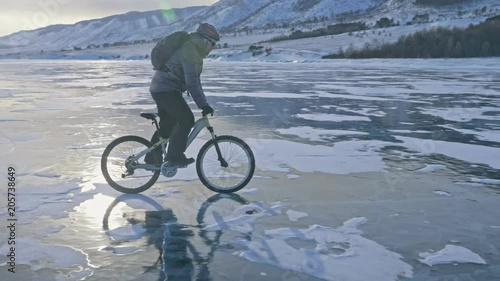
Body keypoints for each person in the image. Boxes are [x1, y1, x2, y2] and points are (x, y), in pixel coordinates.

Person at [147, 23, 220, 167]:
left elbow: (195, 81)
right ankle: (174, 157)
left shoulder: (194, 51)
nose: (212, 48)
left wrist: (203, 103)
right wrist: (203, 105)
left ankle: (152, 158)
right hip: (165, 89)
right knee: (186, 119)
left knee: (169, 124)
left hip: (161, 88)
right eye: (212, 44)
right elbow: (192, 82)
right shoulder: (190, 50)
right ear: (204, 40)